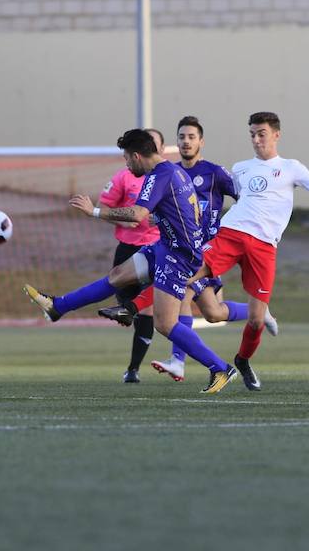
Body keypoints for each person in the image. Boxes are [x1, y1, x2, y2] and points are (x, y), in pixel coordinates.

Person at [23, 128, 237, 394]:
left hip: (179, 257)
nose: (126, 164)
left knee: (165, 323)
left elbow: (137, 215)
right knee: (117, 276)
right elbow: (165, 213)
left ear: (137, 155)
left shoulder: (160, 175)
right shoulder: (171, 171)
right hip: (167, 247)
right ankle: (58, 306)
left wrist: (95, 211)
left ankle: (220, 367)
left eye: (126, 158)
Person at [186, 111, 309, 391]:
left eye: (261, 134)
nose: (256, 140)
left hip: (264, 246)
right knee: (187, 272)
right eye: (252, 135)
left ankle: (243, 360)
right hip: (232, 233)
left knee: (256, 320)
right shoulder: (241, 168)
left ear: (276, 135)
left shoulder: (292, 167)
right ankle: (145, 298)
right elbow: (220, 195)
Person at [99, 116, 278, 382]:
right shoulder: (171, 172)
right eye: (181, 136)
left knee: (202, 307)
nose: (185, 141)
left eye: (191, 136)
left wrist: (235, 229)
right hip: (181, 248)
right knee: (203, 308)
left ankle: (181, 356)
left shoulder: (214, 172)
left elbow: (246, 198)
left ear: (201, 142)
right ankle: (183, 358)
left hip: (205, 250)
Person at [95, 128, 164, 383]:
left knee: (147, 310)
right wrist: (124, 222)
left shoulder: (166, 177)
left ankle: (133, 369)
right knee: (124, 298)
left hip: (157, 249)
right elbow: (106, 207)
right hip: (128, 248)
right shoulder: (125, 177)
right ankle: (126, 309)